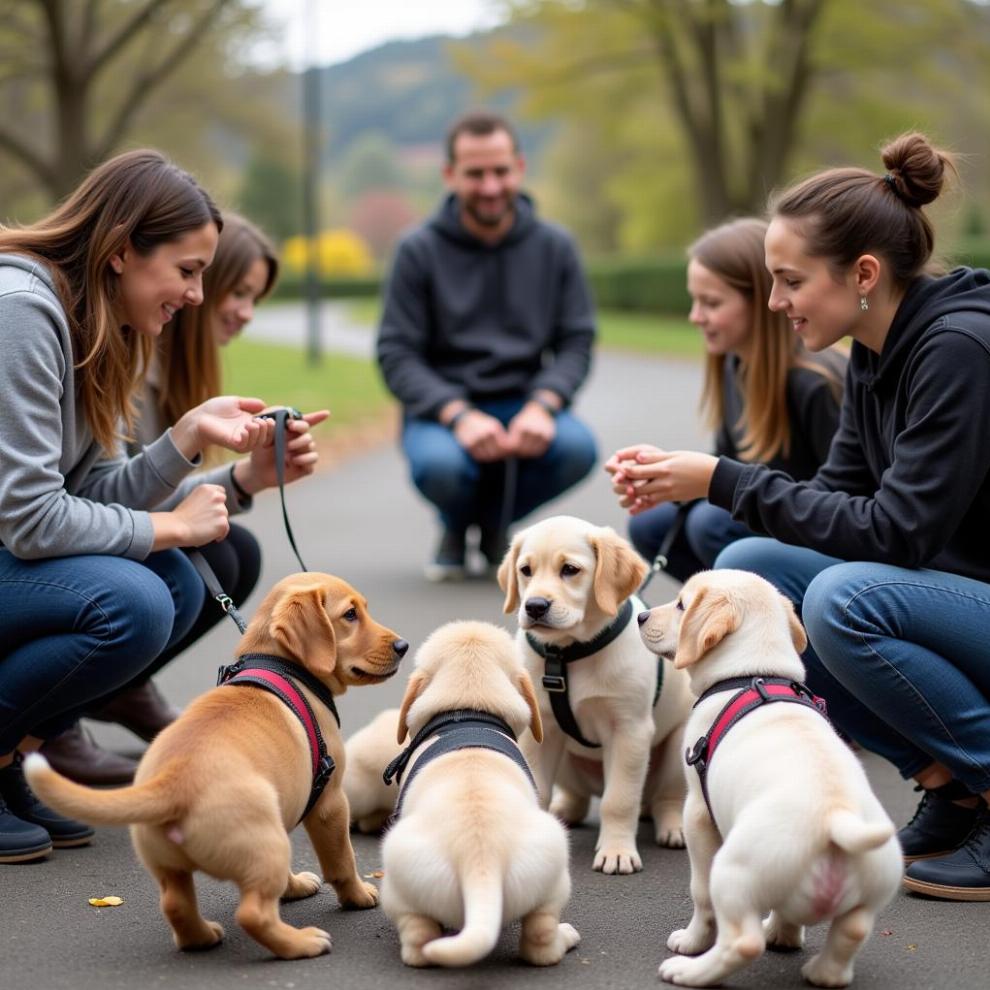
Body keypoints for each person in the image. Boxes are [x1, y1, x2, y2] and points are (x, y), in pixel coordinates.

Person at [609, 132, 990, 901]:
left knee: (843, 601)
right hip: (955, 595)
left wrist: (719, 479)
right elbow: (834, 498)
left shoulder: (958, 349)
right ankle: (950, 785)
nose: (775, 301)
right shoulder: (878, 352)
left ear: (864, 275)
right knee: (753, 570)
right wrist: (700, 485)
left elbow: (895, 531)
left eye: (789, 281)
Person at [1, 150, 286, 864]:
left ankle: (10, 760)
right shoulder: (23, 314)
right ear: (123, 250)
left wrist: (185, 439)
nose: (196, 294)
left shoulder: (97, 323)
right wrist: (169, 524)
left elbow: (89, 488)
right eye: (188, 271)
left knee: (182, 582)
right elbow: (32, 519)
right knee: (137, 601)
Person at [38, 213, 328, 786]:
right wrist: (179, 516)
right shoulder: (115, 344)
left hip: (66, 536)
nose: (243, 312)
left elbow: (127, 491)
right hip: (45, 546)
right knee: (163, 583)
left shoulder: (157, 356)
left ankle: (104, 697)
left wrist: (246, 479)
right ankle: (48, 724)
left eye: (254, 298)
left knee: (230, 550)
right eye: (234, 291)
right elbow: (93, 504)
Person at [376, 110, 598, 580]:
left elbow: (577, 339)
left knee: (578, 447)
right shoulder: (416, 250)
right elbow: (396, 353)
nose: (491, 186)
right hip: (443, 410)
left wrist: (545, 403)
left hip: (524, 400)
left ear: (519, 167)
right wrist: (457, 414)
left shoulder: (555, 246)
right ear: (450, 175)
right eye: (475, 174)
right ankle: (459, 524)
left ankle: (494, 526)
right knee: (441, 465)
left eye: (500, 171)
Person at [605, 218, 845, 581]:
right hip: (767, 510)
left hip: (820, 533)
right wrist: (664, 473)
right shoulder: (736, 364)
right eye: (694, 301)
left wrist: (710, 483)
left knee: (710, 523)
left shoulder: (813, 383)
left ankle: (770, 620)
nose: (695, 316)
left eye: (711, 303)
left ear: (763, 301)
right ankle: (718, 613)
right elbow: (729, 465)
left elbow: (843, 501)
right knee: (649, 525)